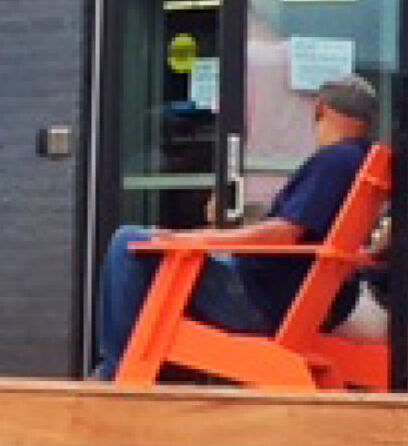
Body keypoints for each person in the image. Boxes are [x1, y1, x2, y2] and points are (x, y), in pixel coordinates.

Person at [94, 75, 379, 379]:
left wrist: (199, 237)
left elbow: (283, 234)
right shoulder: (361, 160)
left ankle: (118, 370)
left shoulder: (334, 162)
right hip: (290, 297)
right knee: (156, 250)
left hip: (258, 300)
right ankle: (140, 365)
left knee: (130, 243)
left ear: (320, 109)